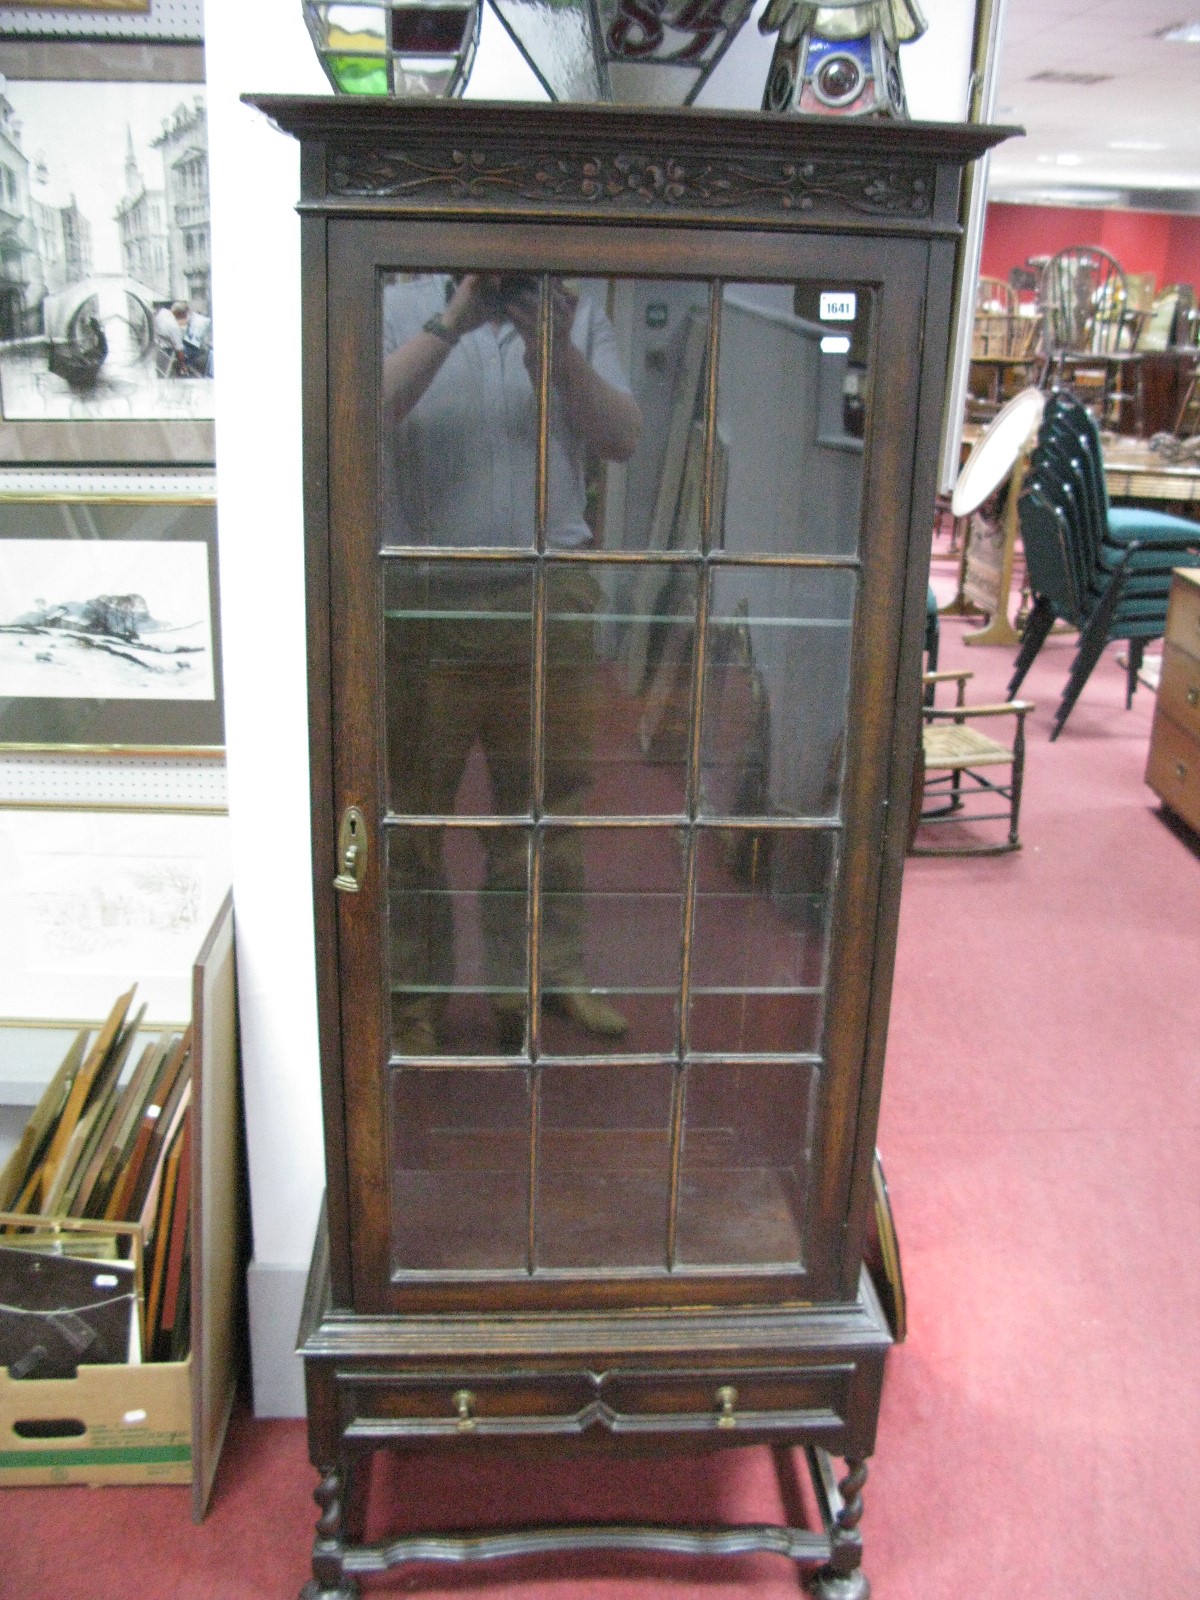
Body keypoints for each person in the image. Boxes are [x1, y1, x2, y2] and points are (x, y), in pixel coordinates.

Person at [382, 273, 642, 1053]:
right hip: (429, 599)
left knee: (547, 807)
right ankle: (413, 1001)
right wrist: (451, 322)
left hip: (549, 597)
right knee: (412, 815)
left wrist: (557, 353)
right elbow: (358, 414)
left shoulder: (573, 314)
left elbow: (622, 438)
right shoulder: (395, 305)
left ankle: (542, 978)